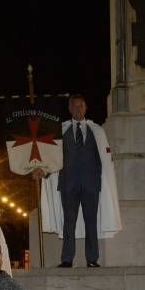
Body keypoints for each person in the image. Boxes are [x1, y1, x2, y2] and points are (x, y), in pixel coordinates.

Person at [38, 93, 121, 268]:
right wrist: (43, 171)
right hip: (68, 185)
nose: (78, 109)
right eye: (75, 106)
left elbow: (105, 161)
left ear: (86, 108)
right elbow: (52, 158)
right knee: (69, 222)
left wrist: (102, 182)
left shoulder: (97, 131)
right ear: (69, 108)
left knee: (91, 222)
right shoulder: (61, 131)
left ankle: (92, 259)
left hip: (91, 185)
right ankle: (67, 259)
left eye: (81, 106)